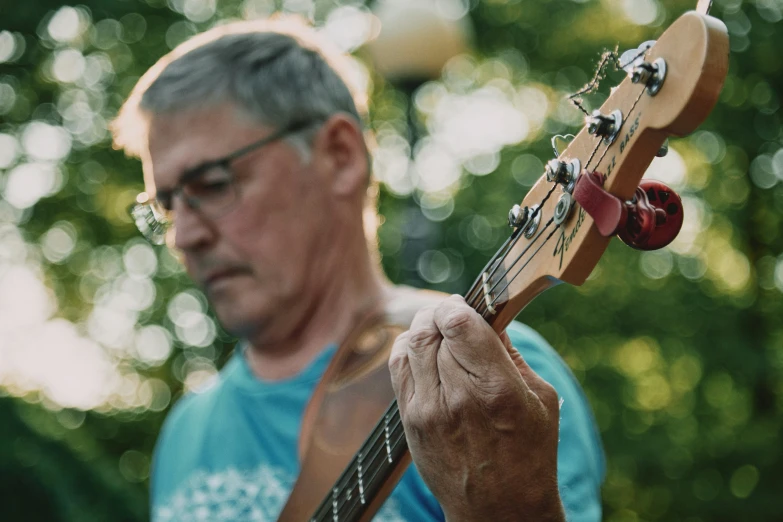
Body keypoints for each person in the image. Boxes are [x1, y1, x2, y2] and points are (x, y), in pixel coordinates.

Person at [112, 17, 605, 522]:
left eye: (212, 184)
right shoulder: (186, 431)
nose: (184, 236)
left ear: (340, 156)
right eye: (169, 206)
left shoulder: (480, 375)